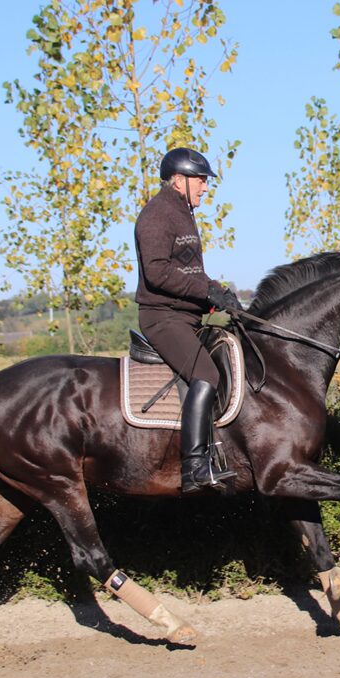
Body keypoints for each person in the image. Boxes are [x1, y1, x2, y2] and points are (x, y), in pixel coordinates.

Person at [134, 147, 243, 494]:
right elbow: (157, 273)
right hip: (162, 318)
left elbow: (190, 272)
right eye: (200, 180)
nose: (205, 188)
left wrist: (217, 292)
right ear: (179, 180)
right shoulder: (156, 215)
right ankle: (194, 467)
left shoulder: (182, 214)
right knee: (206, 374)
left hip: (184, 316)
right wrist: (204, 291)